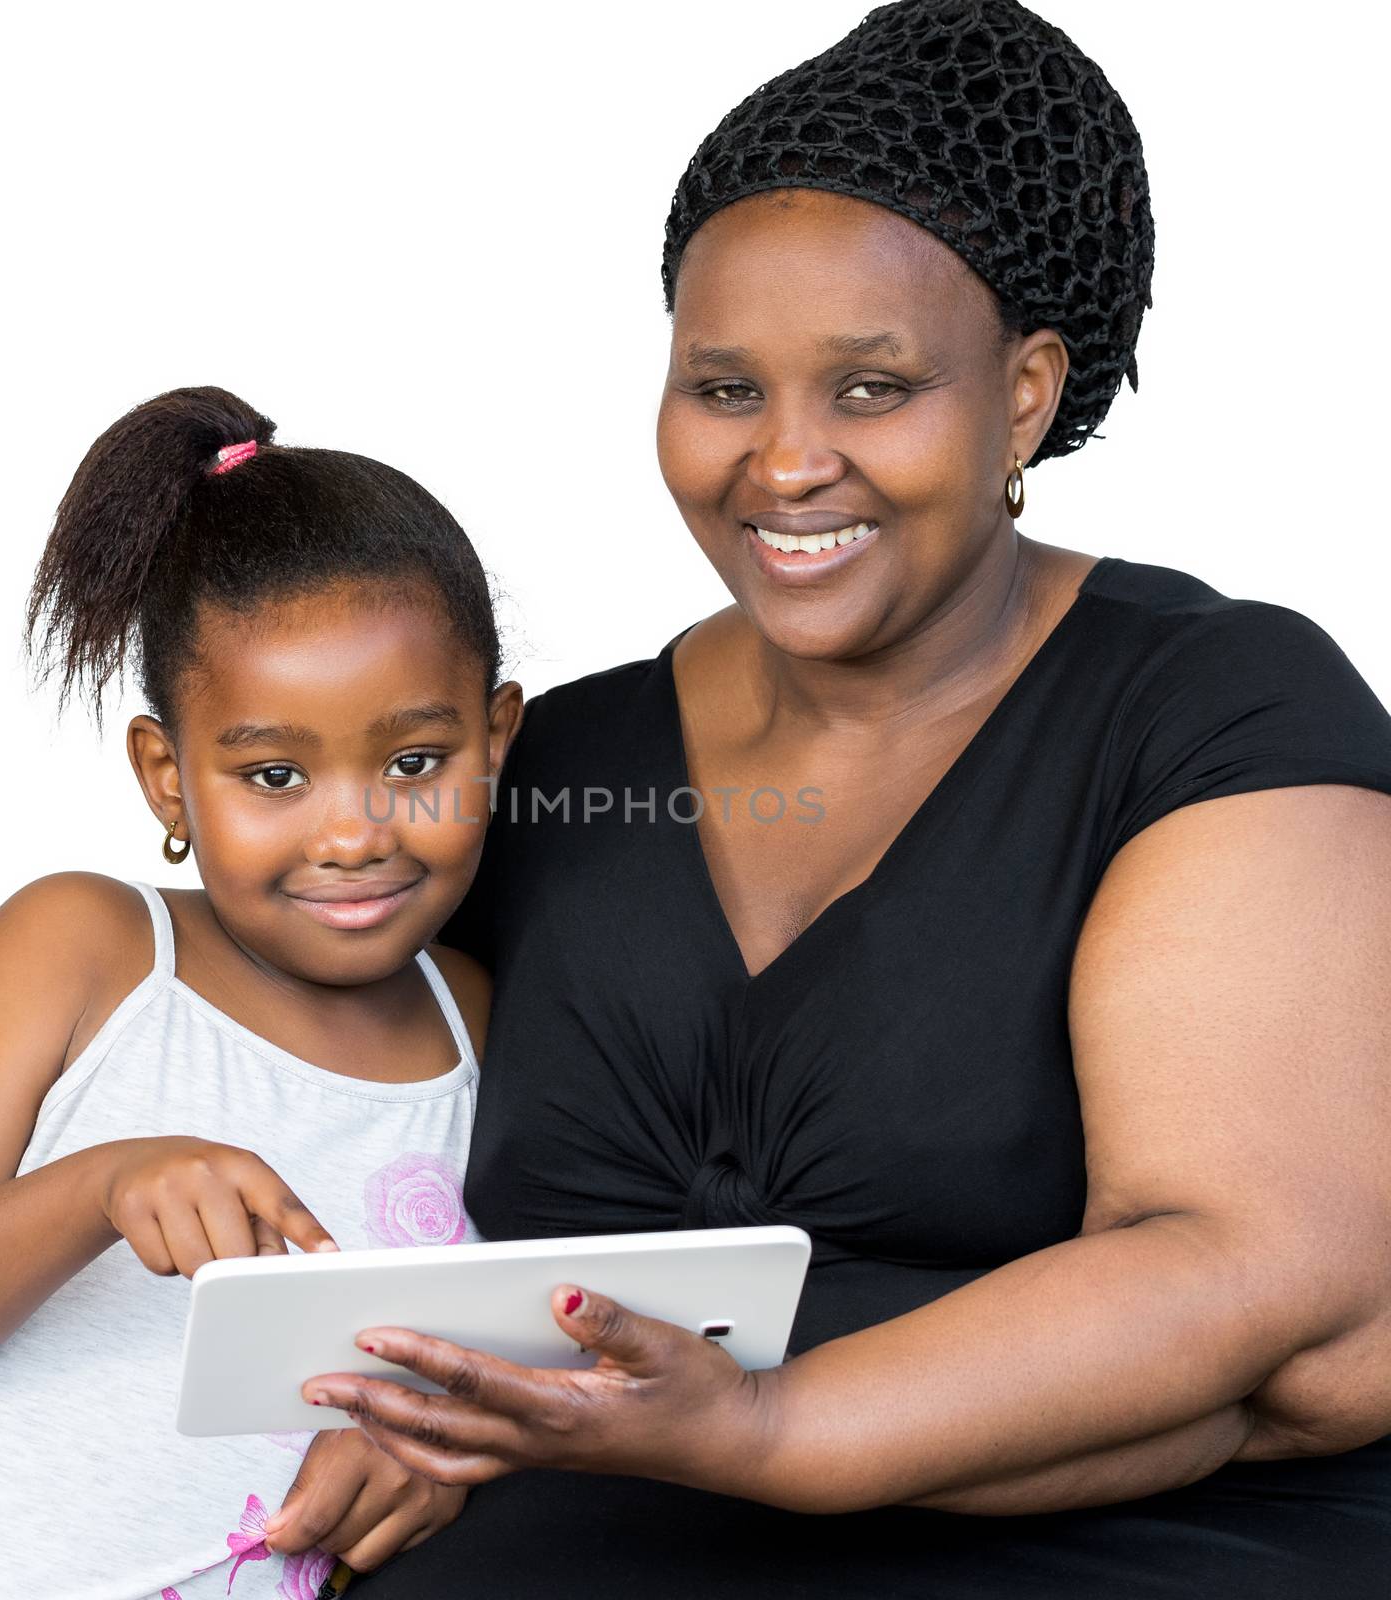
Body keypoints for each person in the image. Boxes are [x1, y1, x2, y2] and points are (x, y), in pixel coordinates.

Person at [272, 3, 1391, 1594]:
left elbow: (1276, 1292)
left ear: (1021, 394)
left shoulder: (1212, 715)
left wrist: (765, 1427)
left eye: (870, 390)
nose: (785, 463)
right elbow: (309, 1099)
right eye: (724, 388)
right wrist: (419, 1387)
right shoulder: (566, 770)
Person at [0, 386, 523, 1598]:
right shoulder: (85, 947)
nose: (353, 831)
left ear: (495, 741)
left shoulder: (489, 1032)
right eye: (274, 773)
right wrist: (103, 1185)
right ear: (168, 778)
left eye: (413, 761)